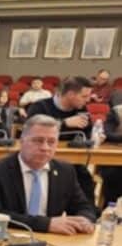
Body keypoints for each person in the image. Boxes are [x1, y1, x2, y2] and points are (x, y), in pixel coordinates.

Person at [0, 115, 96, 235]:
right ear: (22, 141)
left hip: (54, 238)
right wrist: (46, 224)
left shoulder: (65, 171)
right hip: (11, 236)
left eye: (51, 142)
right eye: (38, 141)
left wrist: (85, 220)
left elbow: (83, 206)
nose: (45, 148)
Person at [26, 76, 95, 204]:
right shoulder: (40, 107)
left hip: (72, 159)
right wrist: (64, 123)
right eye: (84, 96)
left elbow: (86, 133)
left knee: (85, 180)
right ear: (70, 94)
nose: (88, 100)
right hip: (41, 158)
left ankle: (87, 213)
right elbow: (33, 131)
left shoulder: (81, 109)